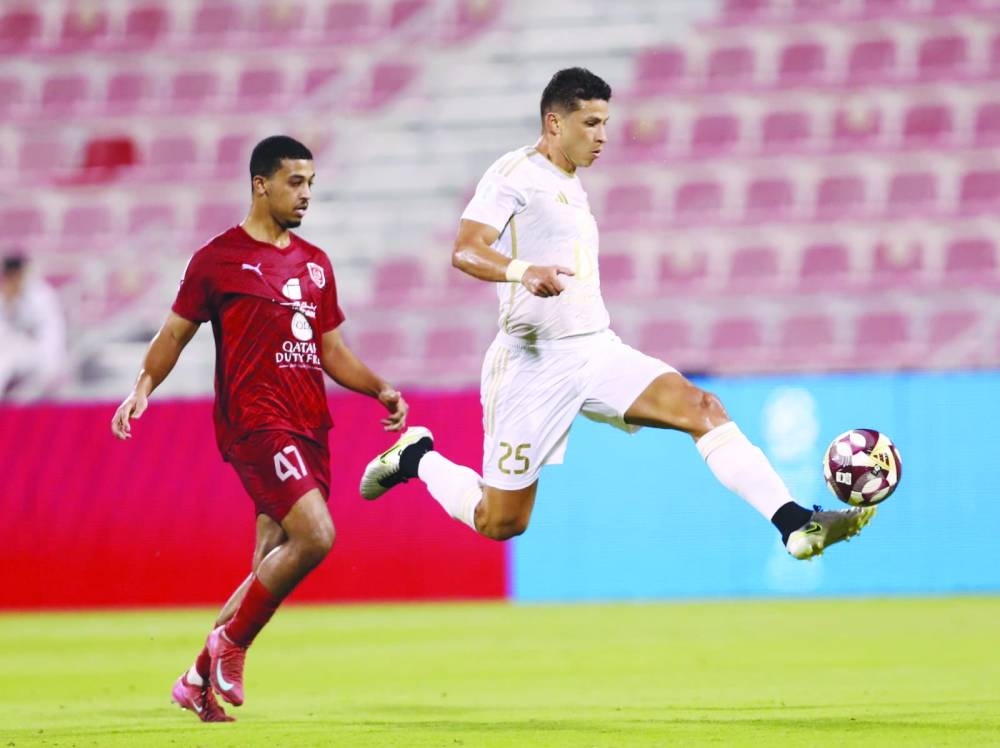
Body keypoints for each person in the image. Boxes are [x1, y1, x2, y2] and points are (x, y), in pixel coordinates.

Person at [359, 68, 875, 561]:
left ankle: (793, 524)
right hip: (531, 366)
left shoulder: (571, 183)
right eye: (591, 123)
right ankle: (415, 457)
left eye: (606, 122)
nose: (603, 135)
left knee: (701, 407)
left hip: (593, 347)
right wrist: (522, 270)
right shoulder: (514, 175)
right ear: (554, 122)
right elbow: (466, 249)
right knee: (502, 522)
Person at [111, 135, 409, 722]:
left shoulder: (316, 264)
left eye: (311, 185)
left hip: (308, 426)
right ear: (260, 185)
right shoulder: (217, 258)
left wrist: (378, 386)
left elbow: (331, 350)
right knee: (318, 536)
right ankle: (231, 645)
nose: (305, 195)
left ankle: (196, 679)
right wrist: (143, 385)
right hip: (255, 423)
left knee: (270, 563)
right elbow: (174, 334)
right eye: (295, 183)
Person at [0, 252, 67, 400]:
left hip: (43, 353)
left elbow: (46, 332)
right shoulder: (5, 296)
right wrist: (9, 302)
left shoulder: (40, 294)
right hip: (18, 353)